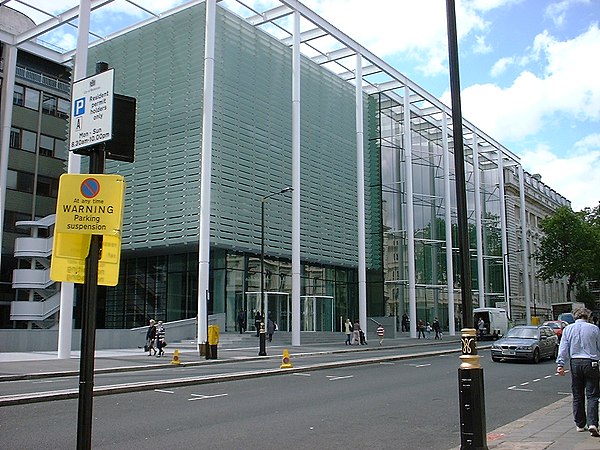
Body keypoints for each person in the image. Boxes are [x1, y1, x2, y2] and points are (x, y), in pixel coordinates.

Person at [556, 307, 600, 437]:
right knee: (592, 395)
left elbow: (563, 348)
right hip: (591, 363)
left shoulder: (568, 329)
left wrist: (560, 364)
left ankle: (580, 424)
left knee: (577, 394)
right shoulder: (594, 329)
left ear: (575, 317)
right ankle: (593, 423)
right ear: (588, 316)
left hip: (575, 363)